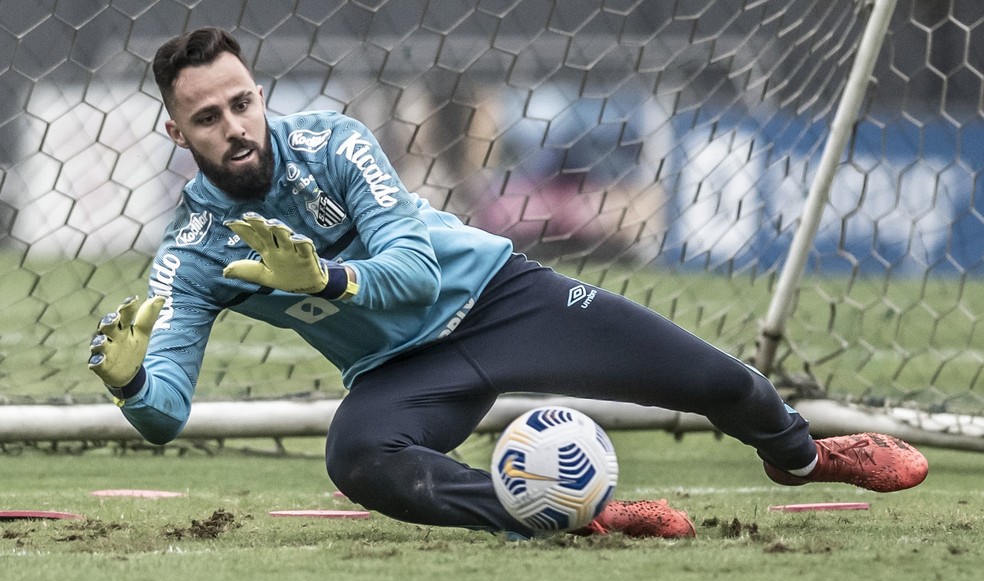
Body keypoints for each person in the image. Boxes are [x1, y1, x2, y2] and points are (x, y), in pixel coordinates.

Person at [87, 27, 928, 540]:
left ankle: (805, 457)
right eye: (208, 117)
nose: (234, 128)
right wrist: (132, 384)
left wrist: (330, 278)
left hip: (499, 298)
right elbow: (165, 416)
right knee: (358, 457)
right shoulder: (193, 249)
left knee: (721, 382)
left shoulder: (335, 144)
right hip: (403, 374)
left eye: (241, 103)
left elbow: (415, 271)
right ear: (176, 132)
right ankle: (578, 517)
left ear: (260, 95)